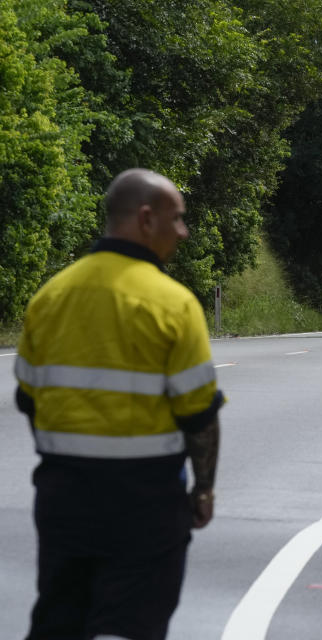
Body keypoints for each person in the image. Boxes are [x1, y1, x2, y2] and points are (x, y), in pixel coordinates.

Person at [14, 168, 225, 640]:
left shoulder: (50, 297)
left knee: (60, 620)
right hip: (145, 503)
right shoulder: (173, 304)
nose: (184, 232)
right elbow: (199, 417)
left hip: (63, 496)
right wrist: (204, 490)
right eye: (178, 219)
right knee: (132, 624)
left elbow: (28, 400)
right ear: (146, 219)